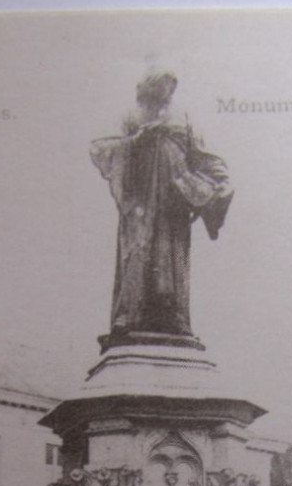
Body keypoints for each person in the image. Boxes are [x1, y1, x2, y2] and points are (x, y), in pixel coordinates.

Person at [90, 70, 233, 346]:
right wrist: (136, 141)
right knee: (136, 252)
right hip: (140, 200)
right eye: (159, 86)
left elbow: (205, 156)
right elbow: (101, 148)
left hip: (173, 202)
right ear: (146, 87)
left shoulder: (185, 119)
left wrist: (221, 182)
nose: (165, 92)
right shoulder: (130, 115)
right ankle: (128, 316)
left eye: (170, 87)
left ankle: (175, 316)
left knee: (174, 256)